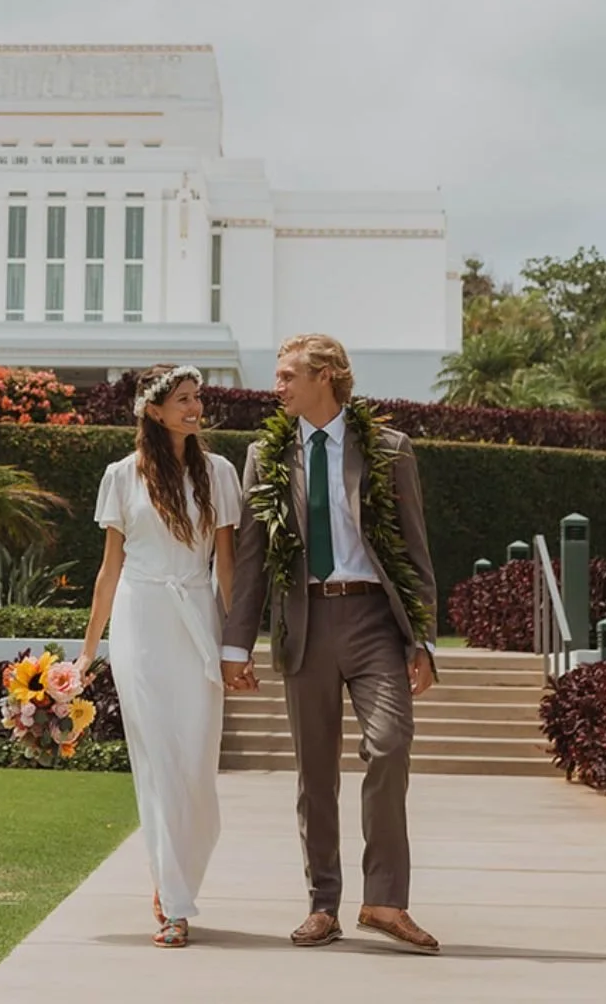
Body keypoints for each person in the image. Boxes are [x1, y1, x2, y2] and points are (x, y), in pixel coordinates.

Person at [221, 333, 440, 953]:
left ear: (327, 376)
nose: (278, 385)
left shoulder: (390, 450)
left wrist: (421, 638)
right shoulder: (267, 455)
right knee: (315, 773)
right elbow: (253, 560)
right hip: (305, 622)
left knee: (391, 743)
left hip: (374, 619)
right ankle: (323, 905)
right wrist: (235, 647)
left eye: (289, 374)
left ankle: (385, 901)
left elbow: (417, 554)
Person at [78, 363, 241, 949]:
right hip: (140, 622)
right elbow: (108, 570)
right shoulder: (121, 475)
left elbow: (227, 566)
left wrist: (235, 644)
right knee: (159, 763)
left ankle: (175, 878)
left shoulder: (219, 473)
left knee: (195, 764)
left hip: (195, 617)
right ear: (154, 410)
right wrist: (87, 654)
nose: (194, 407)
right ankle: (173, 901)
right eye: (182, 399)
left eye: (197, 397)